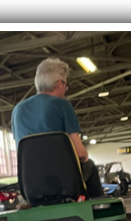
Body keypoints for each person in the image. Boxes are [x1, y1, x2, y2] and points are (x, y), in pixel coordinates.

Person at [11, 58, 104, 197]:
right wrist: (84, 157)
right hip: (63, 181)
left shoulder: (17, 110)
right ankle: (101, 210)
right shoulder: (62, 105)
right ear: (59, 84)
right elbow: (80, 153)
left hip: (30, 184)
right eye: (65, 86)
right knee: (89, 165)